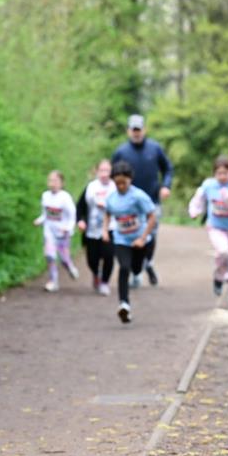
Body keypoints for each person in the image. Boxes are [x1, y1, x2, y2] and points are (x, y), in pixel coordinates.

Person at [111, 114, 173, 287]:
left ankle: (148, 262)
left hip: (152, 200)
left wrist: (166, 186)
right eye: (133, 130)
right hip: (129, 204)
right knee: (131, 233)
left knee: (150, 234)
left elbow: (168, 168)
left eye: (139, 130)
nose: (136, 133)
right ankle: (135, 271)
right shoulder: (121, 152)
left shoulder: (155, 148)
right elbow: (113, 176)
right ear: (128, 131)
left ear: (144, 130)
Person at [102, 161, 157, 324]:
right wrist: (105, 230)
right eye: (117, 183)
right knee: (124, 267)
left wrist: (142, 238)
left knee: (136, 268)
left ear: (130, 180)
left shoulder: (139, 196)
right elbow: (107, 214)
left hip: (140, 240)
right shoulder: (112, 198)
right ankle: (124, 304)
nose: (120, 186)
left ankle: (145, 267)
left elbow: (152, 216)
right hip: (121, 239)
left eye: (123, 182)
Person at [188, 156, 228, 308]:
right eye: (219, 173)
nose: (222, 177)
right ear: (214, 174)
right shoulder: (209, 185)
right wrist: (195, 211)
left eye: (225, 173)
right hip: (216, 227)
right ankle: (219, 276)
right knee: (223, 251)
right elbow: (198, 199)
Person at [34, 171, 79, 292]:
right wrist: (40, 220)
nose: (52, 183)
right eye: (50, 180)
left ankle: (70, 267)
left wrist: (68, 228)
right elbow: (45, 214)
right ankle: (53, 281)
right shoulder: (45, 196)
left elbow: (72, 215)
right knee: (50, 256)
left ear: (61, 183)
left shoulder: (65, 197)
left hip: (62, 234)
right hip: (49, 232)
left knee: (64, 259)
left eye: (55, 181)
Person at [76, 159, 115, 295]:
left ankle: (104, 282)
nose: (104, 174)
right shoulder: (90, 187)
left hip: (111, 229)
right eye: (102, 171)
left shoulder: (116, 187)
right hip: (91, 230)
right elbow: (79, 207)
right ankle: (96, 273)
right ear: (97, 171)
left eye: (107, 171)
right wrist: (80, 221)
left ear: (111, 172)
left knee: (109, 256)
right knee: (92, 259)